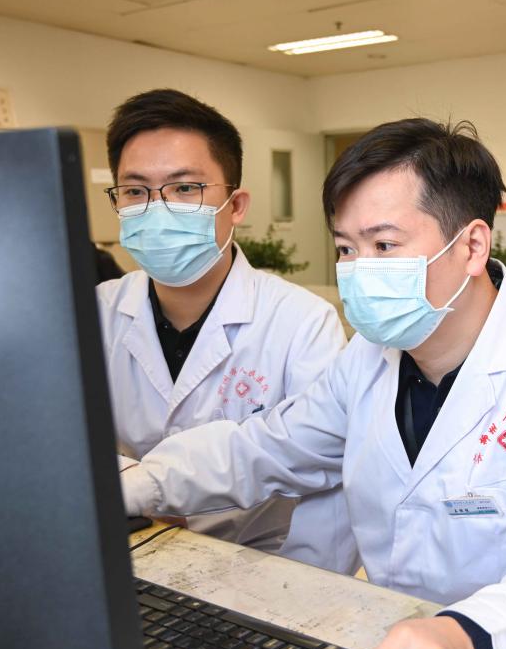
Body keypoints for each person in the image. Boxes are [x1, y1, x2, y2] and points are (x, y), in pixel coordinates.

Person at [120, 119, 506, 649]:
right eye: (346, 248)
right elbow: (264, 448)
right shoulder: (366, 361)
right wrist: (138, 485)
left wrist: (474, 634)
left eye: (384, 245)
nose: (360, 271)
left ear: (472, 245)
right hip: (395, 642)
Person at [100, 89, 356, 572]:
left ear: (235, 205)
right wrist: (132, 487)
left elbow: (321, 467)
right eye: (135, 191)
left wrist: (296, 595)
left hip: (257, 568)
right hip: (127, 555)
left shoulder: (301, 322)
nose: (157, 209)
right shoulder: (96, 312)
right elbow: (54, 439)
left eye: (185, 188)